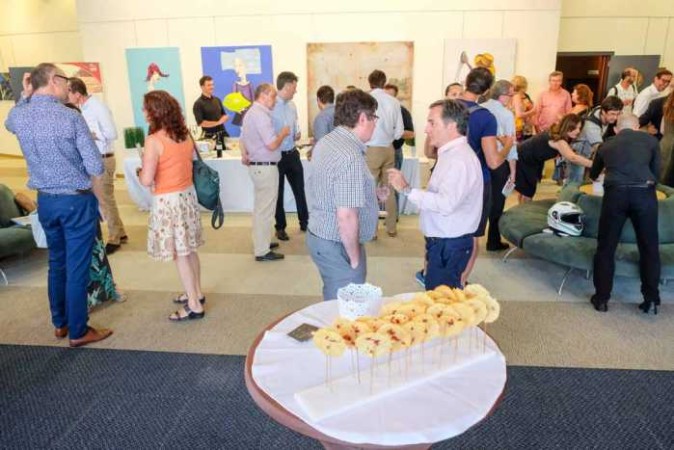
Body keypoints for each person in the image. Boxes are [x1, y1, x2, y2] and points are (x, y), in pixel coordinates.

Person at [5, 63, 113, 347]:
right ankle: (79, 331)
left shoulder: (21, 116)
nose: (68, 86)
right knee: (77, 267)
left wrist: (26, 95)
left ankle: (61, 323)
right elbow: (94, 165)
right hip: (75, 202)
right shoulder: (70, 118)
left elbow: (9, 121)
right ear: (54, 81)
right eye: (65, 80)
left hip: (46, 202)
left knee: (57, 263)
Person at [388, 99, 483, 289]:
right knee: (440, 297)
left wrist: (407, 189)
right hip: (444, 242)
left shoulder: (459, 160)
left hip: (450, 245)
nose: (426, 129)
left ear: (452, 126)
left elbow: (446, 204)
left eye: (432, 122)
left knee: (442, 302)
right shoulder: (451, 154)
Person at [137, 90, 205, 321]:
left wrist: (140, 172)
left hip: (169, 201)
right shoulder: (184, 135)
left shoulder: (154, 140)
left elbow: (146, 180)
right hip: (187, 197)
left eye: (146, 108)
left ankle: (194, 304)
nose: (143, 112)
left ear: (156, 112)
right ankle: (195, 292)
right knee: (190, 249)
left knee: (180, 253)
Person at [306, 89, 379, 300]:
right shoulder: (349, 154)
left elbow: (328, 186)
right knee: (346, 304)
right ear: (363, 118)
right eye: (374, 117)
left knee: (334, 295)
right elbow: (346, 215)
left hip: (321, 233)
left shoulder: (328, 141)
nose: (375, 123)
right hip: (337, 242)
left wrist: (371, 193)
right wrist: (355, 259)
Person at [589, 114, 661, 314]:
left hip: (616, 194)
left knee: (606, 247)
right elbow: (657, 173)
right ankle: (651, 299)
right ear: (637, 127)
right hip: (644, 194)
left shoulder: (607, 144)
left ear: (616, 129)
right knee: (649, 248)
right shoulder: (651, 141)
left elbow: (593, 174)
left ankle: (602, 299)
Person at [62, 101, 125, 309]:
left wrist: (100, 205)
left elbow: (94, 175)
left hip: (78, 203)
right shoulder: (75, 143)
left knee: (92, 251)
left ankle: (104, 290)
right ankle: (88, 297)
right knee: (85, 254)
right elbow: (94, 173)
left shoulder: (69, 144)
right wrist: (101, 205)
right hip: (78, 204)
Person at [67, 77, 128, 255]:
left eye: (68, 91)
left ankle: (114, 238)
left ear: (77, 94)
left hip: (104, 158)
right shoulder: (84, 108)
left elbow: (112, 133)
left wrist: (90, 134)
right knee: (106, 199)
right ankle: (120, 232)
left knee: (104, 200)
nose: (66, 94)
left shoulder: (96, 107)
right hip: (97, 158)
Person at [456, 67, 503, 285]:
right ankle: (461, 281)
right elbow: (493, 161)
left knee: (441, 229)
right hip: (475, 181)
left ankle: (430, 273)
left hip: (447, 177)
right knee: (473, 235)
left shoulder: (444, 108)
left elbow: (429, 151)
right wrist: (508, 145)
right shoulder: (485, 117)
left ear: (466, 82)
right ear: (487, 90)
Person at [241, 83, 290, 261]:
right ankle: (262, 250)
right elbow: (271, 144)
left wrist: (245, 153)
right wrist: (283, 134)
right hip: (265, 166)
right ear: (263, 95)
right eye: (273, 96)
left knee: (261, 209)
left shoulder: (250, 113)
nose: (275, 100)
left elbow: (242, 139)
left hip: (259, 166)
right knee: (265, 210)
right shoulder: (260, 115)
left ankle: (262, 242)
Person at [515, 114, 592, 202]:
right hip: (524, 158)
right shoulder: (559, 141)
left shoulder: (557, 133)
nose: (578, 131)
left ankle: (522, 208)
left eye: (579, 128)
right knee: (528, 190)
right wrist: (593, 164)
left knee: (525, 189)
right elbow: (573, 158)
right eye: (575, 128)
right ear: (567, 126)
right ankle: (525, 211)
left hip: (525, 157)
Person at [365, 69, 404, 237]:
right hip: (389, 149)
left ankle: (372, 231)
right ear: (384, 82)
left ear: (369, 82)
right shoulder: (394, 101)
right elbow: (400, 131)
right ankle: (391, 227)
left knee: (370, 190)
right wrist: (390, 137)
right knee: (388, 188)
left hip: (371, 149)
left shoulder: (366, 100)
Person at [481, 80, 518, 251]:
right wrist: (513, 172)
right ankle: (493, 240)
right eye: (511, 95)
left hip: (480, 161)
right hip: (498, 162)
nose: (512, 98)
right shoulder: (506, 114)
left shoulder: (480, 108)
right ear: (503, 95)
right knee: (497, 202)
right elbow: (511, 145)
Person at [272, 71, 308, 241]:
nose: (296, 91)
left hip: (292, 153)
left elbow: (296, 124)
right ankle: (280, 227)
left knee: (300, 189)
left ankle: (305, 222)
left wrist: (296, 132)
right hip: (276, 156)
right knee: (278, 193)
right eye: (294, 87)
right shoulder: (270, 107)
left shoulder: (292, 105)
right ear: (286, 86)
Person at [566, 96, 623, 183]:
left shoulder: (600, 109)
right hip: (578, 153)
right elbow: (600, 148)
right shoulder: (591, 126)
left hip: (589, 152)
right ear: (603, 112)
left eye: (618, 114)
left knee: (584, 183)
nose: (615, 118)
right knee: (574, 183)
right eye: (612, 114)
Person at [384, 83, 415, 171]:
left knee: (392, 182)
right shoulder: (375, 110)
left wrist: (393, 132)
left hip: (394, 152)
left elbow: (411, 134)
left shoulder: (402, 112)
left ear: (395, 98)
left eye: (390, 97)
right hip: (376, 152)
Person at [193, 75, 229, 150]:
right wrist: (218, 122)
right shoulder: (198, 104)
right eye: (209, 85)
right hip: (209, 139)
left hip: (223, 135)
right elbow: (201, 123)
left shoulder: (217, 100)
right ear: (202, 87)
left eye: (212, 84)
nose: (212, 87)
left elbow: (223, 115)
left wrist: (225, 118)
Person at [511, 75, 536, 142]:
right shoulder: (516, 96)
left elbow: (529, 108)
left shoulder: (525, 95)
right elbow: (519, 114)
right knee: (521, 149)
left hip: (527, 128)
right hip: (519, 129)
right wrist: (533, 111)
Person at [231, 57, 254, 126]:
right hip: (241, 112)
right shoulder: (235, 85)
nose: (238, 68)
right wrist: (238, 108)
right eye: (236, 66)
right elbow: (233, 100)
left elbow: (253, 99)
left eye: (240, 65)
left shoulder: (250, 84)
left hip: (249, 112)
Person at [658, 91, 674, 186]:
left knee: (660, 174)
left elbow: (662, 130)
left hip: (664, 144)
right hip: (671, 148)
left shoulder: (666, 107)